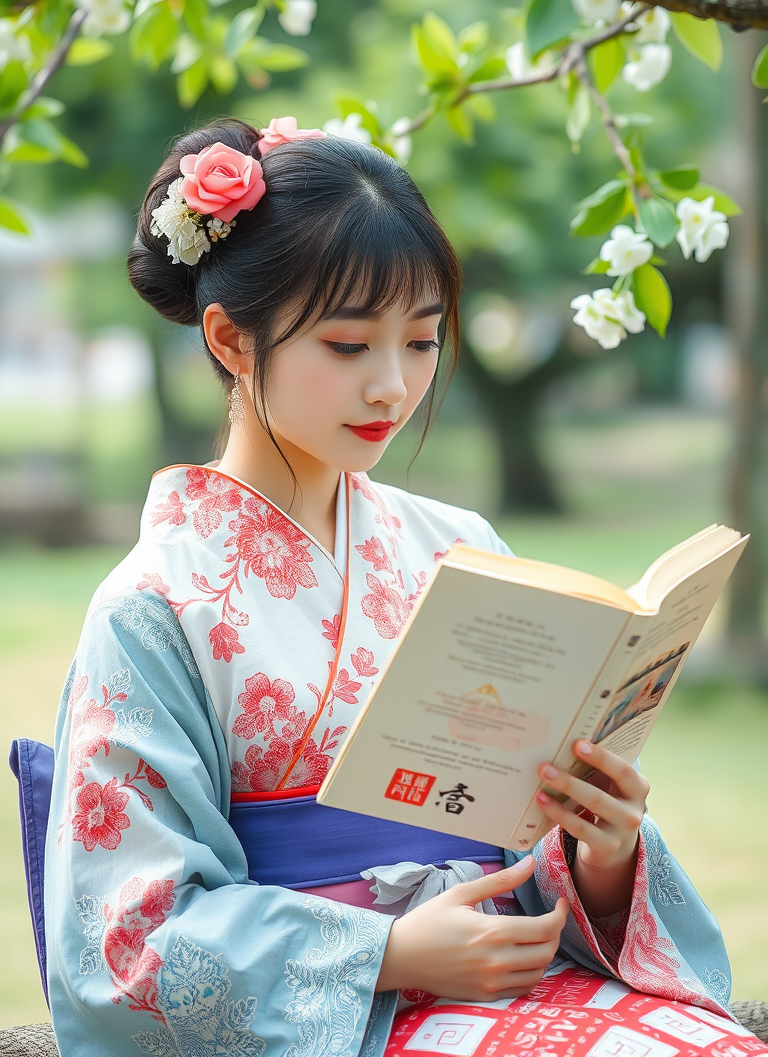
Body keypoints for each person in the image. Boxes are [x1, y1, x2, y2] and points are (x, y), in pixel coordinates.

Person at [44, 118, 763, 1057]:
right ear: (228, 338)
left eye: (421, 342)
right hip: (326, 1018)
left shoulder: (457, 546)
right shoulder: (150, 609)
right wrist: (382, 952)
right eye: (348, 346)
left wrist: (603, 851)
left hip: (510, 975)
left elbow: (514, 833)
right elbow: (124, 942)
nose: (392, 386)